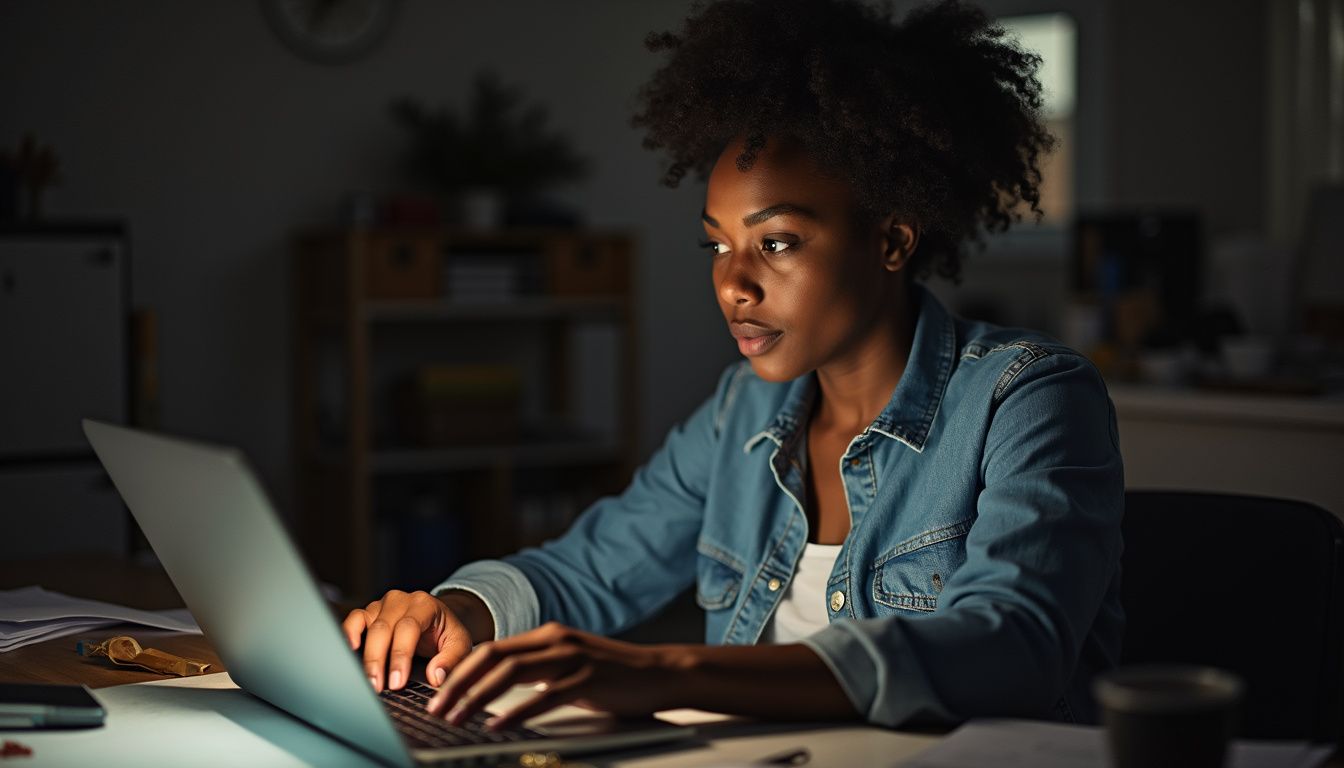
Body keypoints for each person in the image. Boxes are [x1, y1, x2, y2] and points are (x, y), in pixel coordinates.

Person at [344, 0, 1123, 732]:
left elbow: (1012, 643)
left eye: (775, 243)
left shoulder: (1028, 397)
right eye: (716, 244)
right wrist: (459, 611)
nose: (732, 283)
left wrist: (677, 672)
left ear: (891, 241)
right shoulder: (740, 413)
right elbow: (589, 570)